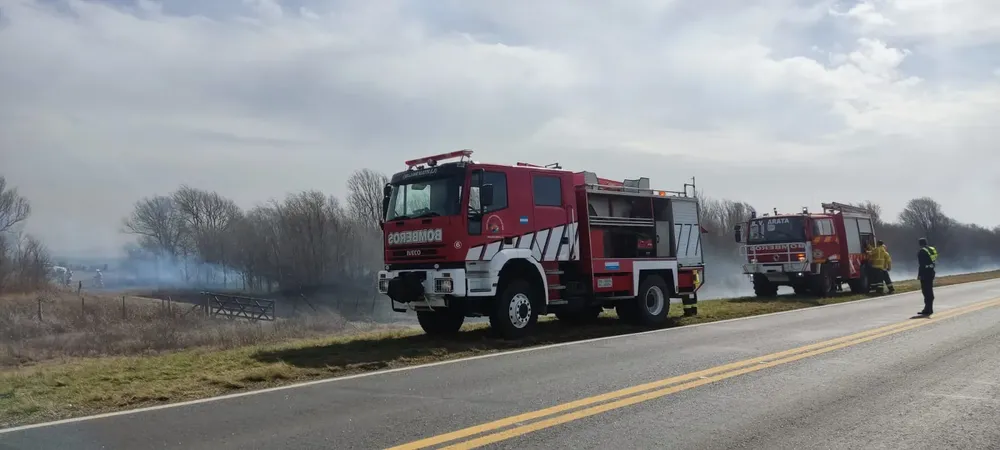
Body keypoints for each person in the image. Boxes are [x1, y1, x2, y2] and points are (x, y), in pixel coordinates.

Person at [916, 238, 938, 315]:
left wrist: (919, 275)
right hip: (931, 271)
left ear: (920, 244)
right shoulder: (932, 249)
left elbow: (921, 264)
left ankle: (928, 309)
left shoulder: (922, 251)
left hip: (925, 273)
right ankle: (929, 308)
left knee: (925, 291)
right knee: (929, 289)